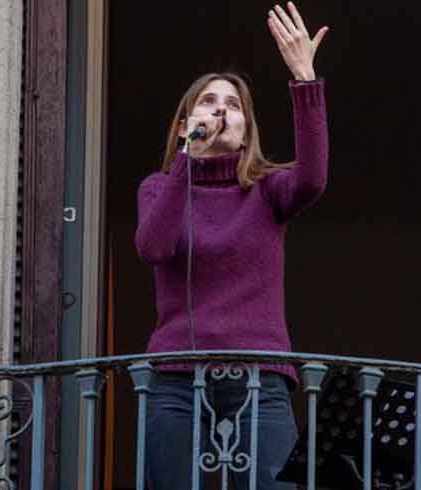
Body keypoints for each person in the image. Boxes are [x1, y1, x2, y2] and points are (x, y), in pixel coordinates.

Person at [134, 3, 329, 489]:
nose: (221, 109)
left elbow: (313, 180)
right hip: (176, 378)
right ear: (185, 125)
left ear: (246, 132)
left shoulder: (267, 189)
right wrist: (187, 163)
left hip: (260, 377)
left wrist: (304, 78)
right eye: (208, 101)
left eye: (234, 105)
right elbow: (154, 246)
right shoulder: (158, 189)